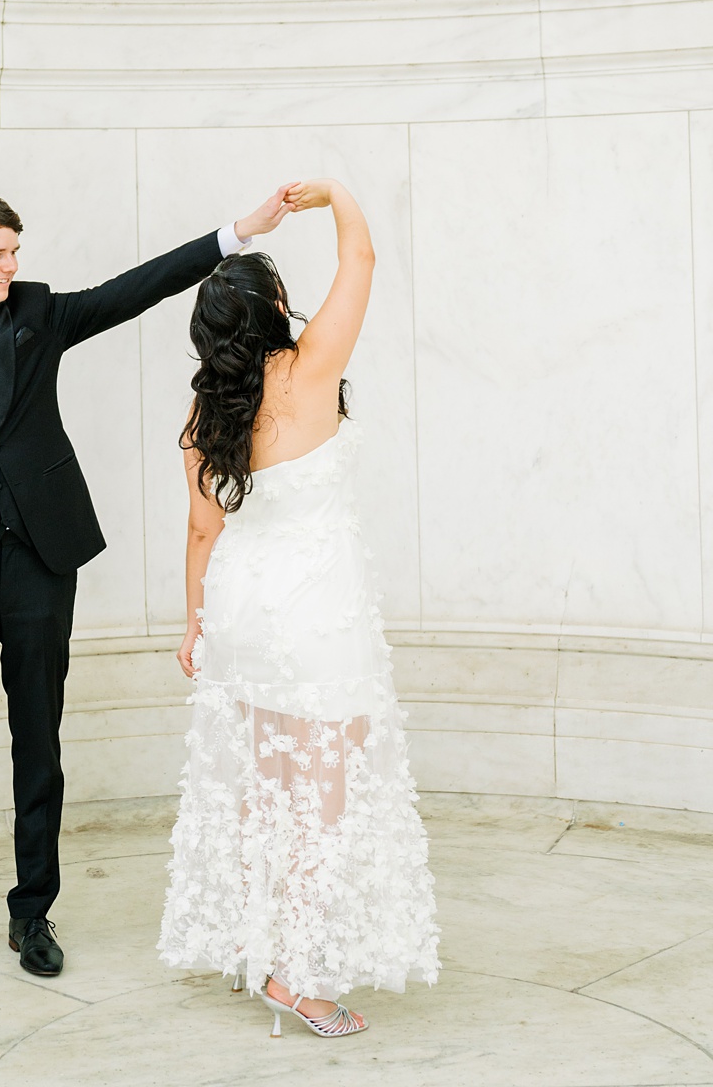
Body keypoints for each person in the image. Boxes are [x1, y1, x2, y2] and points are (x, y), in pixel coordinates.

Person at [0, 185, 293, 991]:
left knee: (39, 743)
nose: (11, 266)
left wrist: (235, 233)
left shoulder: (37, 313)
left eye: (15, 252)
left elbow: (135, 289)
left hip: (40, 566)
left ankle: (32, 914)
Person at [158, 178, 438, 1037]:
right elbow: (363, 257)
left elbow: (202, 535)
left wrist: (195, 624)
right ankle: (296, 976)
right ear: (277, 304)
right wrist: (338, 196)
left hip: (244, 612)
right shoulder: (314, 369)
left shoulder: (208, 412)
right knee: (323, 801)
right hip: (317, 613)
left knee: (264, 791)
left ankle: (262, 947)